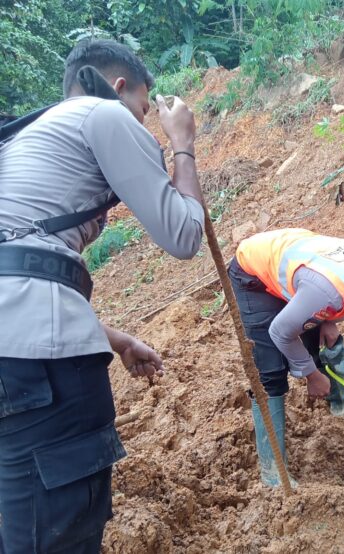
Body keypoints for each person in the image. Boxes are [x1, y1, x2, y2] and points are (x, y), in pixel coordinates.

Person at [0, 39, 205, 553]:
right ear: (119, 88)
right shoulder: (103, 115)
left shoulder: (27, 137)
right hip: (34, 365)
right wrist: (182, 144)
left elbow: (22, 267)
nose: (143, 118)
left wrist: (114, 338)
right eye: (144, 106)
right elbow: (183, 236)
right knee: (55, 529)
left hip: (15, 350)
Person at [228, 228, 344, 486]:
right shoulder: (327, 292)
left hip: (300, 263)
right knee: (270, 369)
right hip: (253, 273)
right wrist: (312, 375)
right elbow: (280, 332)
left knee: (313, 336)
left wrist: (330, 320)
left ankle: (339, 404)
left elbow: (339, 291)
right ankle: (273, 471)